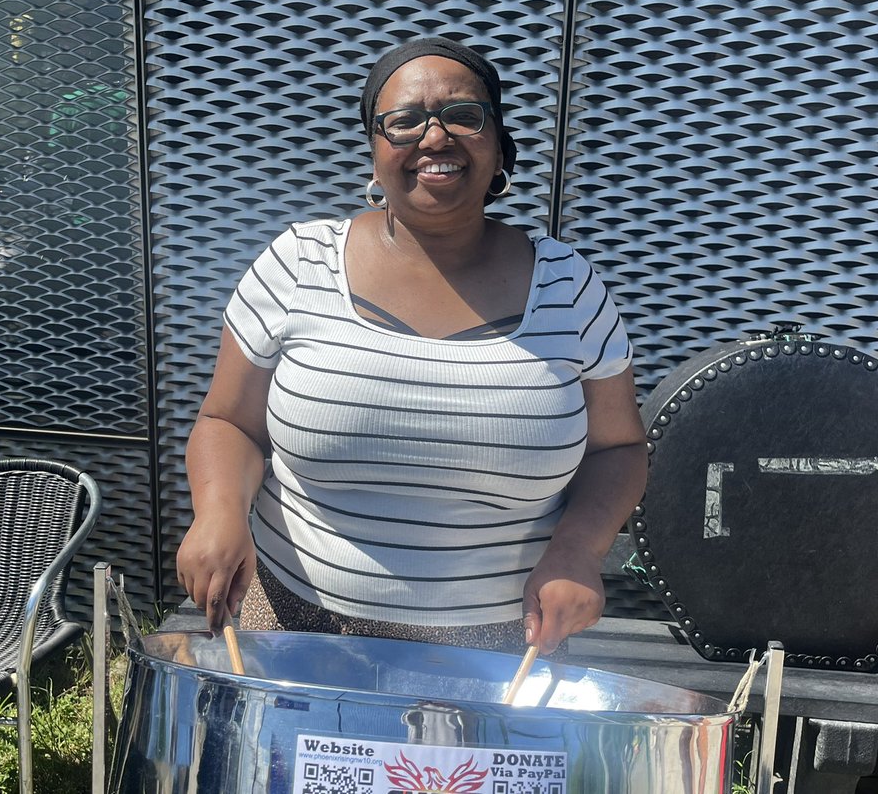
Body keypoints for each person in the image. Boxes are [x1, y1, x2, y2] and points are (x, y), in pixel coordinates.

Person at [177, 36, 647, 656]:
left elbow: (619, 448)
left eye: (463, 115)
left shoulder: (568, 285)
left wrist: (578, 550)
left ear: (500, 146)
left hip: (503, 652)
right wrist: (218, 512)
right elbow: (227, 421)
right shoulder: (297, 263)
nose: (434, 138)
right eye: (403, 121)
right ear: (375, 153)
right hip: (291, 629)